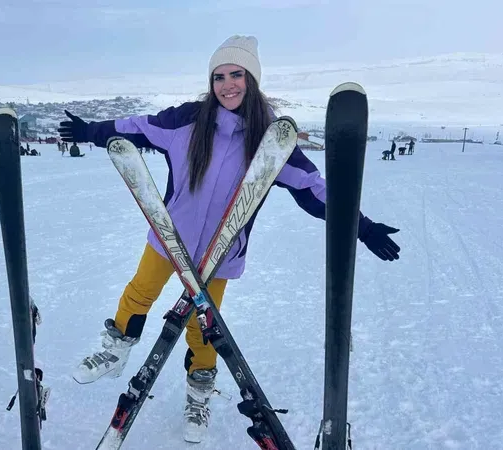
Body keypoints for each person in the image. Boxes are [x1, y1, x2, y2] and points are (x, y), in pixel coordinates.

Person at [58, 34, 401, 443]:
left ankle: (198, 391)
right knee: (139, 293)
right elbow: (137, 128)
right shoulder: (187, 120)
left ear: (251, 79)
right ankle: (115, 349)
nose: (227, 84)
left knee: (203, 327)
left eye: (236, 75)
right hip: (168, 238)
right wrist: (90, 130)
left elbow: (312, 189)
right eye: (218, 77)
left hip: (219, 255)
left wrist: (362, 226)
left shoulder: (270, 139)